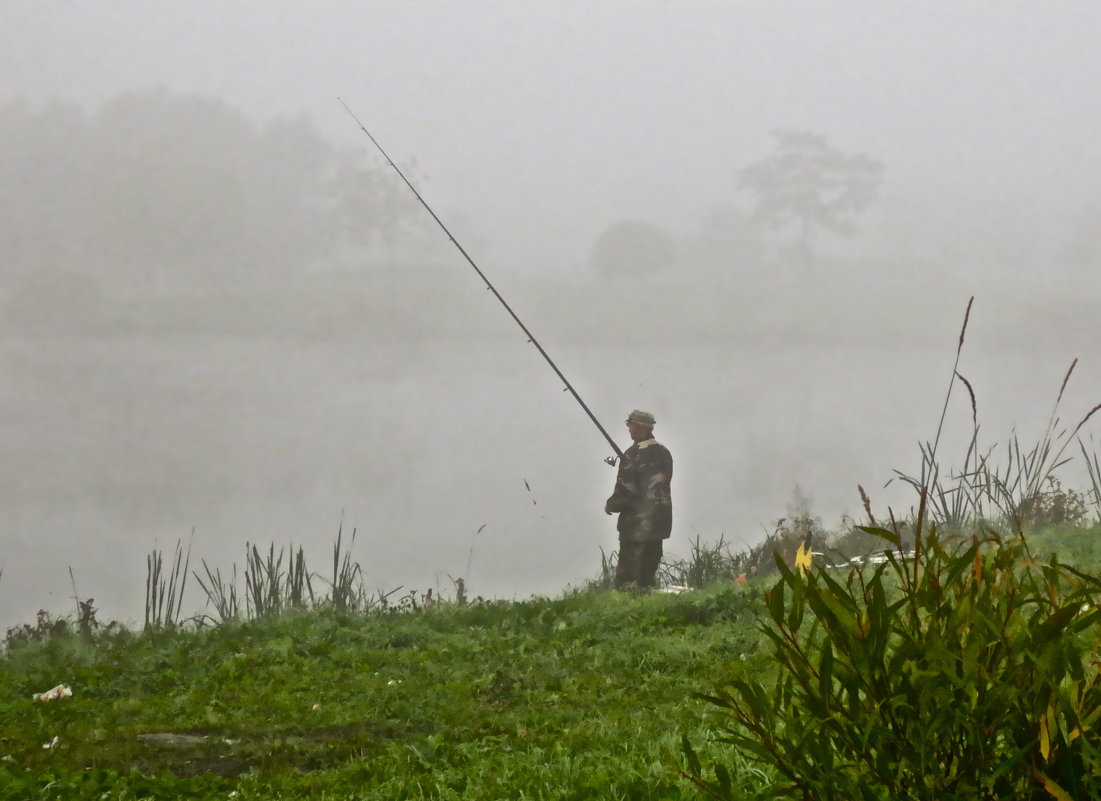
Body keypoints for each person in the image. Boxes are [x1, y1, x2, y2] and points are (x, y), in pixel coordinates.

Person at [604, 409, 673, 590]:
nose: (628, 428)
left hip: (636, 524)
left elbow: (626, 492)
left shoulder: (632, 455)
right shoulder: (665, 453)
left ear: (638, 425)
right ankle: (645, 597)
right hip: (660, 522)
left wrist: (611, 504)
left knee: (627, 577)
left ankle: (626, 605)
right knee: (647, 574)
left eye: (629, 424)